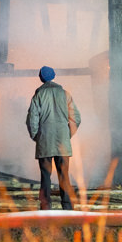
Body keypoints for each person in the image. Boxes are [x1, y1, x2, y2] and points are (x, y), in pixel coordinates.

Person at [25, 66, 81, 210]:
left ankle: (45, 206)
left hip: (45, 141)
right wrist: (67, 135)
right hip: (63, 141)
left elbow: (32, 120)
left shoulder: (38, 95)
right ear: (54, 76)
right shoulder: (65, 94)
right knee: (64, 175)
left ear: (41, 78)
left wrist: (37, 136)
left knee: (45, 176)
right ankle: (67, 206)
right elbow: (76, 118)